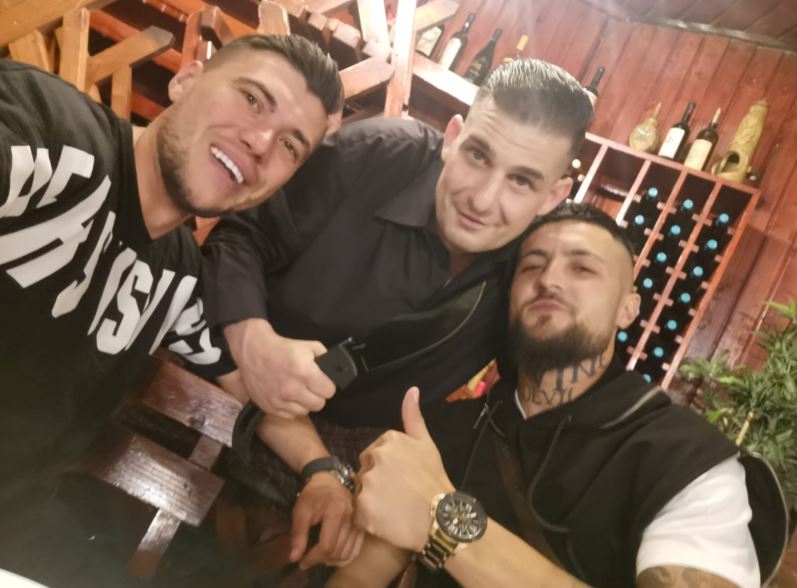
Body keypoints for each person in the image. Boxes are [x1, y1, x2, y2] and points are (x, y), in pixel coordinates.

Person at [199, 59, 593, 570]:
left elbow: (520, 409)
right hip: (222, 383)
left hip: (348, 471)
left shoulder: (534, 274)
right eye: (478, 155)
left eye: (521, 181)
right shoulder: (376, 154)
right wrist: (253, 339)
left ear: (553, 196)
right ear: (453, 136)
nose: (482, 199)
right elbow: (240, 237)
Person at [0, 34, 343, 587]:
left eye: (289, 146)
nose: (260, 142)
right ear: (186, 79)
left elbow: (252, 381)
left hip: (20, 528)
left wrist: (322, 471)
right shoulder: (54, 136)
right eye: (252, 98)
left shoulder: (180, 277)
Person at [341, 203, 782, 588]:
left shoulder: (685, 460)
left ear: (628, 309)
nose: (549, 280)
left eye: (582, 268)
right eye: (532, 266)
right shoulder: (444, 427)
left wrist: (440, 518)